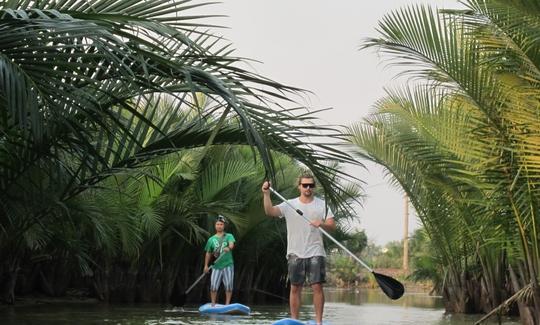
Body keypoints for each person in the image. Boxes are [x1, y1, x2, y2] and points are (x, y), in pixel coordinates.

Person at [262, 173, 336, 325]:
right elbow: (269, 211)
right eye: (305, 185)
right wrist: (266, 194)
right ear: (299, 187)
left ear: (314, 187)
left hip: (316, 251)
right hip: (295, 252)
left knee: (317, 286)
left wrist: (321, 223)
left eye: (311, 185)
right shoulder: (289, 204)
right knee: (295, 287)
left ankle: (319, 322)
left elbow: (332, 226)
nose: (308, 188)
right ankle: (294, 321)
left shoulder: (322, 204)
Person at [203, 215, 236, 306]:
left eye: (221, 224)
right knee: (213, 286)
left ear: (223, 226)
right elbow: (208, 253)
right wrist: (206, 265)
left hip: (228, 264)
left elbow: (231, 244)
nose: (219, 226)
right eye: (217, 224)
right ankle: (213, 304)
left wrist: (228, 248)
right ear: (215, 226)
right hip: (216, 266)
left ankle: (227, 304)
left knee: (228, 286)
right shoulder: (211, 239)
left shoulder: (229, 236)